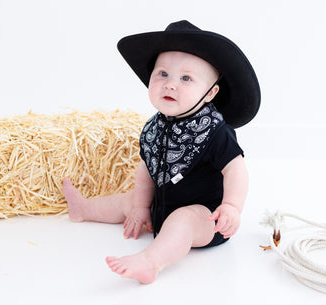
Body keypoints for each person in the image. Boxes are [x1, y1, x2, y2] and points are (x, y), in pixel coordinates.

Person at [62, 20, 260, 284]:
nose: (170, 84)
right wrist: (141, 206)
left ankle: (151, 262)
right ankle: (84, 209)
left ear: (210, 93)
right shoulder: (155, 126)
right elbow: (147, 167)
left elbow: (236, 169)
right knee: (129, 199)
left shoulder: (214, 131)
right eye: (162, 74)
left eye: (186, 78)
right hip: (160, 209)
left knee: (183, 219)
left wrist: (232, 207)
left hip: (207, 218)